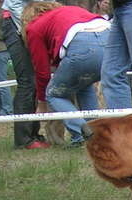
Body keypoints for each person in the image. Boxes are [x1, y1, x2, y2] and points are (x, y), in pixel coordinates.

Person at [22, 2, 110, 148]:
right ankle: (95, 134)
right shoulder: (70, 11)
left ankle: (84, 134)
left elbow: (42, 72)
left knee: (53, 94)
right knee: (84, 85)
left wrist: (42, 102)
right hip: (109, 40)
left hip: (83, 45)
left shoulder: (34, 27)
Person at [1, 0, 50, 149]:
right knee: (27, 82)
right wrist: (28, 27)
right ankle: (23, 140)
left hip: (25, 21)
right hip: (15, 24)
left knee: (34, 82)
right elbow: (15, 4)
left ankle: (34, 135)